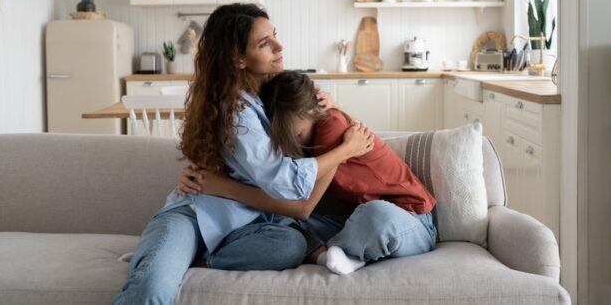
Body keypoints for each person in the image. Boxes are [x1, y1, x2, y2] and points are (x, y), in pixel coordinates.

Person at [113, 4, 374, 305]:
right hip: (195, 216)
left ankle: (191, 261)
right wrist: (346, 150)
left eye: (274, 36)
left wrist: (327, 102)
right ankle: (162, 257)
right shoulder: (236, 112)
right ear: (238, 59)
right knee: (153, 288)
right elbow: (285, 182)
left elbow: (300, 123)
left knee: (289, 244)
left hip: (248, 225)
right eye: (265, 44)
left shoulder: (265, 91)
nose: (279, 46)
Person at [181, 70, 438, 275]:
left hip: (411, 220)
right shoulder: (311, 126)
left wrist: (222, 187)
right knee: (275, 219)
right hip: (350, 219)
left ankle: (328, 252)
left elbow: (302, 206)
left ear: (314, 110)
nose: (297, 146)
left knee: (376, 215)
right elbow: (287, 190)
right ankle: (333, 252)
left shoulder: (330, 129)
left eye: (298, 135)